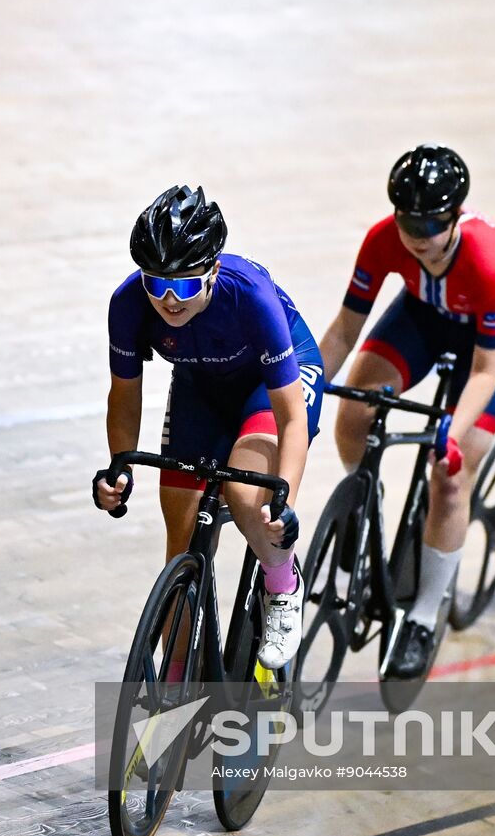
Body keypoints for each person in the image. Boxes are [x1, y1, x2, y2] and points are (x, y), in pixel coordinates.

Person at [317, 144, 495, 679]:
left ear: (456, 214)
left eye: (432, 221)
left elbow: (485, 370)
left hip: (483, 339)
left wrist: (451, 436)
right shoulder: (384, 239)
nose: (418, 233)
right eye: (408, 219)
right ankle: (366, 497)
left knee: (451, 475)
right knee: (355, 414)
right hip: (422, 315)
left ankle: (425, 615)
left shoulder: (490, 258)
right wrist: (306, 387)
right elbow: (345, 330)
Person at [95, 186, 325, 670]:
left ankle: (283, 585)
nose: (168, 301)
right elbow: (124, 394)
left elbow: (290, 418)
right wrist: (119, 466)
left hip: (272, 383)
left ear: (214, 270)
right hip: (202, 384)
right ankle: (177, 689)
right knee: (180, 539)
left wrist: (284, 501)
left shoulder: (251, 296)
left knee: (246, 497)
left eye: (183, 286)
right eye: (156, 285)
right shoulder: (127, 303)